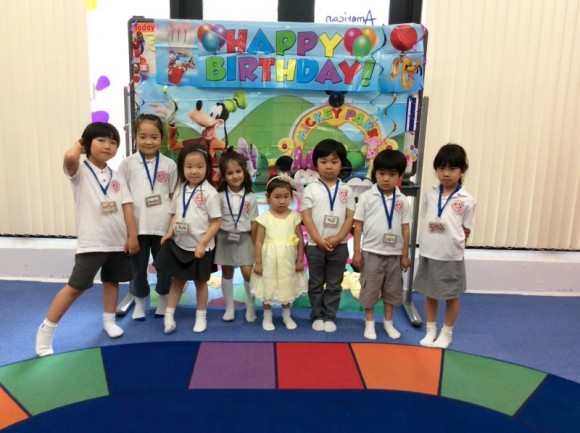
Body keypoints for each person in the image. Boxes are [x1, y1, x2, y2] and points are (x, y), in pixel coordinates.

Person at [35, 122, 139, 356]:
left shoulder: (117, 176)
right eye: (101, 140)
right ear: (86, 144)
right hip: (92, 243)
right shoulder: (80, 172)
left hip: (118, 242)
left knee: (112, 282)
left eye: (113, 142)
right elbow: (69, 158)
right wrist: (77, 146)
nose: (108, 146)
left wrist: (132, 236)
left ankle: (109, 320)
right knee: (76, 287)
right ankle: (46, 330)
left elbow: (127, 207)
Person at [414, 143, 476, 349]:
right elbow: (426, 218)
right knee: (430, 292)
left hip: (450, 255)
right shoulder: (430, 194)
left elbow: (466, 229)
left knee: (451, 295)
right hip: (429, 251)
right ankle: (430, 330)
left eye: (452, 168)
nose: (446, 173)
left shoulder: (467, 200)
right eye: (441, 168)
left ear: (462, 170)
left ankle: (446, 332)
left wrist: (455, 247)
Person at [154, 145, 221, 334]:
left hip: (201, 247)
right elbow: (174, 214)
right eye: (189, 166)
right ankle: (169, 315)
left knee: (201, 282)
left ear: (207, 168)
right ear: (182, 168)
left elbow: (216, 222)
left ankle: (201, 316)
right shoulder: (180, 190)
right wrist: (169, 232)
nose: (194, 171)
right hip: (180, 244)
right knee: (178, 280)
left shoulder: (210, 193)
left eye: (199, 166)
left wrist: (202, 243)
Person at [117, 114, 178, 320]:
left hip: (162, 227)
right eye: (142, 137)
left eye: (154, 137)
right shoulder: (127, 164)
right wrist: (129, 232)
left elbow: (173, 196)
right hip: (138, 227)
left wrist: (172, 227)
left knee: (164, 267)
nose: (148, 142)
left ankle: (163, 299)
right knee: (138, 268)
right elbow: (122, 198)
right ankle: (140, 302)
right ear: (135, 137)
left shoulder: (169, 165)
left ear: (162, 138)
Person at [352, 150, 411, 340]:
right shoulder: (367, 197)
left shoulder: (402, 200)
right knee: (370, 289)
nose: (386, 178)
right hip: (371, 253)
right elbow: (358, 226)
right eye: (382, 173)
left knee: (392, 290)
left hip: (394, 255)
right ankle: (369, 323)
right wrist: (357, 252)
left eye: (392, 174)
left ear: (400, 176)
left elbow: (405, 228)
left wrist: (404, 255)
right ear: (375, 173)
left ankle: (388, 322)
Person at [301, 139, 355, 332]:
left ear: (342, 164)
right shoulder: (310, 189)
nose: (329, 166)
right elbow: (306, 217)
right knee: (315, 283)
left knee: (334, 284)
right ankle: (317, 315)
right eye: (323, 162)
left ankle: (330, 316)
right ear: (316, 164)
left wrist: (339, 237)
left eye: (334, 161)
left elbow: (349, 217)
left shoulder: (347, 190)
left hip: (339, 245)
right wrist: (318, 239)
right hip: (315, 246)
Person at [250, 174, 307, 331]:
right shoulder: (264, 218)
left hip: (287, 260)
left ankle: (286, 315)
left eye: (286, 197)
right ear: (268, 198)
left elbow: (300, 240)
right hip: (268, 260)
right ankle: (267, 316)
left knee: (286, 285)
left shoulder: (295, 216)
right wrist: (258, 262)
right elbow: (258, 241)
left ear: (291, 197)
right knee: (268, 286)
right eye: (277, 197)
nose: (282, 201)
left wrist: (300, 260)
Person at [214, 149, 259, 322]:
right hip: (224, 237)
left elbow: (254, 222)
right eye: (230, 173)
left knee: (248, 272)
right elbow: (215, 219)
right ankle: (229, 307)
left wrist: (256, 245)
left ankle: (250, 306)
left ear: (244, 172)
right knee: (226, 272)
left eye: (238, 171)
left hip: (245, 238)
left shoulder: (250, 197)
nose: (235, 176)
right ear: (224, 176)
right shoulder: (219, 196)